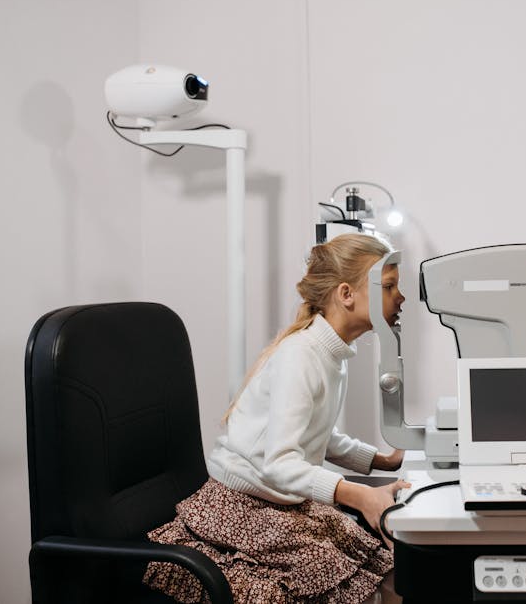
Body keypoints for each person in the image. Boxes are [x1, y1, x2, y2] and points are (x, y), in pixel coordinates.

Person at [143, 232, 410, 604]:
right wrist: (358, 494)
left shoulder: (331, 354)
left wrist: (383, 461)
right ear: (346, 294)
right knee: (342, 578)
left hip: (279, 502)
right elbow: (279, 465)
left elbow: (317, 433)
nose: (401, 297)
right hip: (242, 507)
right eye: (390, 286)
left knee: (387, 567)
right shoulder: (301, 356)